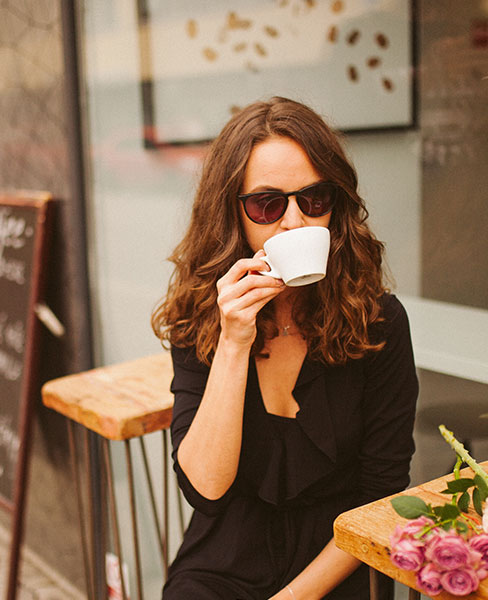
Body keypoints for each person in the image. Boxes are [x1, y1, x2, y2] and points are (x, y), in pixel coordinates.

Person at [151, 97, 417, 599]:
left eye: (314, 199)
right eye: (268, 204)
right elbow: (205, 489)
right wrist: (233, 342)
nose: (295, 222)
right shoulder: (205, 314)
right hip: (225, 556)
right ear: (234, 214)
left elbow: (380, 493)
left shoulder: (377, 321)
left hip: (337, 556)